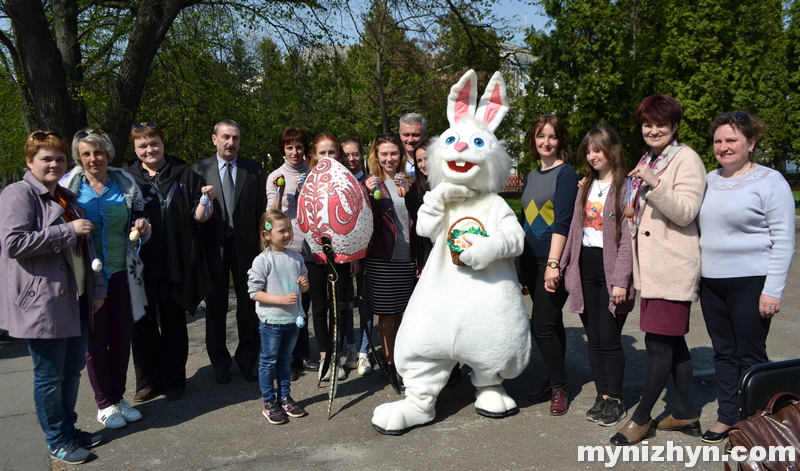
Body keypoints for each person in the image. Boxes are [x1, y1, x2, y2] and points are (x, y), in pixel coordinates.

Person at [0, 131, 106, 465]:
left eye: (60, 159)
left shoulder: (65, 197)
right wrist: (66, 231)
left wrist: (97, 289)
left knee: (72, 370)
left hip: (76, 297)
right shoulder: (18, 194)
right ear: (29, 162)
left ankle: (68, 429)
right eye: (46, 158)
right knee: (49, 376)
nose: (54, 164)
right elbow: (14, 243)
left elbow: (86, 247)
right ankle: (57, 440)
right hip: (42, 303)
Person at [610, 94, 706, 446]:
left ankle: (641, 418)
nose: (652, 130)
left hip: (672, 267)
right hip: (650, 269)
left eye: (660, 125)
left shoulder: (685, 159)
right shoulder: (650, 157)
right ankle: (686, 412)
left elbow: (685, 212)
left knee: (657, 345)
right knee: (673, 342)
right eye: (647, 124)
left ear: (674, 126)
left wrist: (654, 181)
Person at [697, 112, 795, 443]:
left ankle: (760, 420)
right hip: (711, 283)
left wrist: (773, 291)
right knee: (723, 352)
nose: (723, 147)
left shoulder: (770, 181)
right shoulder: (708, 180)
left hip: (751, 283)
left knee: (750, 354)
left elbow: (784, 239)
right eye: (718, 141)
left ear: (750, 144)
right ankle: (728, 416)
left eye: (732, 140)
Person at [63, 128, 150, 430]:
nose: (92, 159)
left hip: (122, 273)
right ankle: (104, 404)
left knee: (122, 337)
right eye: (86, 154)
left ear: (108, 154)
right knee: (97, 341)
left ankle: (118, 397)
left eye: (98, 152)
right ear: (78, 158)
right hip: (88, 277)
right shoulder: (69, 188)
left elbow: (141, 216)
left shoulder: (124, 184)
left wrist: (143, 225)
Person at [124, 122, 214, 402]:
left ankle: (174, 379)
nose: (149, 150)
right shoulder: (125, 179)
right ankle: (149, 380)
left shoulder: (184, 174)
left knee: (174, 324)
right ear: (135, 149)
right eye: (143, 146)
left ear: (163, 144)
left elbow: (199, 217)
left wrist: (206, 200)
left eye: (154, 144)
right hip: (140, 264)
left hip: (175, 261)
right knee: (142, 325)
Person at [559, 125, 634, 427]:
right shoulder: (584, 187)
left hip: (611, 270)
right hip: (585, 267)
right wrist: (563, 266)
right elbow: (574, 231)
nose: (591, 156)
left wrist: (621, 280)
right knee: (593, 338)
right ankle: (602, 394)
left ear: (612, 150)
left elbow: (629, 238)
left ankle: (616, 398)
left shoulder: (627, 187)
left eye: (598, 149)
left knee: (610, 337)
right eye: (588, 150)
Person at [193, 120, 266, 385]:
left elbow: (260, 211)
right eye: (225, 137)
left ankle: (247, 360)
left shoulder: (254, 168)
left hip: (246, 247)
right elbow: (195, 213)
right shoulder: (199, 169)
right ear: (214, 139)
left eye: (235, 138)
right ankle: (220, 364)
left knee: (248, 306)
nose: (230, 143)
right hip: (213, 248)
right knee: (215, 307)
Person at [520, 114, 578, 416]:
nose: (546, 142)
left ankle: (560, 387)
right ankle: (555, 380)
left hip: (551, 260)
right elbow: (525, 220)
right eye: (541, 136)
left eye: (552, 136)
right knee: (552, 323)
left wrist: (554, 264)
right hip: (529, 260)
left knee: (541, 327)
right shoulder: (530, 175)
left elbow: (563, 221)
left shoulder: (565, 173)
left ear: (560, 141)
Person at [300, 133, 359, 381]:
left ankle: (337, 354)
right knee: (319, 306)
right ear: (314, 156)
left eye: (332, 152)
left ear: (339, 155)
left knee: (341, 306)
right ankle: (326, 357)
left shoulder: (348, 181)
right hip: (313, 252)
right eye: (322, 153)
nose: (327, 157)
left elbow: (358, 219)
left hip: (342, 253)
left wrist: (355, 253)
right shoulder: (306, 180)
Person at [363, 133, 416, 385]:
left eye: (393, 153)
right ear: (376, 156)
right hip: (382, 258)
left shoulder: (409, 182)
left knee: (406, 313)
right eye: (383, 153)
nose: (389, 158)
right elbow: (365, 223)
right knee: (387, 313)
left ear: (401, 155)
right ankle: (390, 364)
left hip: (409, 258)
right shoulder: (370, 185)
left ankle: (404, 360)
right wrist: (368, 195)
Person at [248, 210, 310, 425]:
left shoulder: (296, 257)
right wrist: (281, 300)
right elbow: (254, 292)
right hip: (271, 322)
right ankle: (268, 402)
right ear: (267, 234)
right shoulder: (262, 260)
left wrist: (304, 284)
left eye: (289, 230)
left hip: (293, 320)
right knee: (268, 361)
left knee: (286, 360)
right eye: (281, 230)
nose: (287, 234)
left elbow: (305, 283)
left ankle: (284, 397)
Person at [267, 127, 318, 377]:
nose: (294, 152)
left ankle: (304, 353)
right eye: (289, 147)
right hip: (286, 249)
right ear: (283, 150)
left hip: (311, 248)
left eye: (298, 147)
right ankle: (284, 357)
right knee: (287, 305)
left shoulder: (313, 172)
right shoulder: (275, 175)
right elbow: (271, 215)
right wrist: (280, 189)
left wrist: (305, 189)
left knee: (304, 305)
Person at [340, 137, 373, 376]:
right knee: (345, 303)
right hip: (343, 254)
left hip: (367, 252)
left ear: (362, 155)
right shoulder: (337, 182)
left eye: (355, 154)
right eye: (346, 155)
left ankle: (364, 353)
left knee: (365, 304)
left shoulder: (370, 181)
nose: (351, 159)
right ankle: (350, 349)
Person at [398, 113, 428, 178]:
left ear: (425, 134)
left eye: (415, 135)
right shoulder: (394, 161)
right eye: (406, 135)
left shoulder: (437, 159)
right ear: (400, 134)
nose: (410, 140)